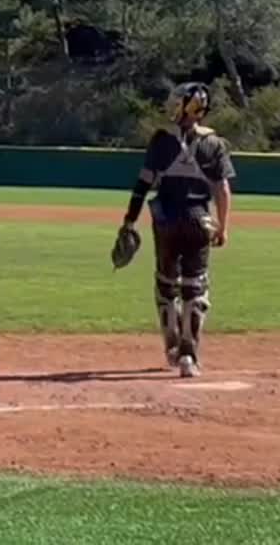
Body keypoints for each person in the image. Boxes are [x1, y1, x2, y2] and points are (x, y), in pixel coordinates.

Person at [119, 81, 234, 379]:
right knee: (195, 287)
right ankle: (188, 356)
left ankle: (171, 344)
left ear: (185, 106)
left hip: (165, 219)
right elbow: (222, 189)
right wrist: (223, 227)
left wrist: (129, 219)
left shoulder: (161, 141)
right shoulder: (215, 143)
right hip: (199, 220)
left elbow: (143, 183)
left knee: (166, 283)